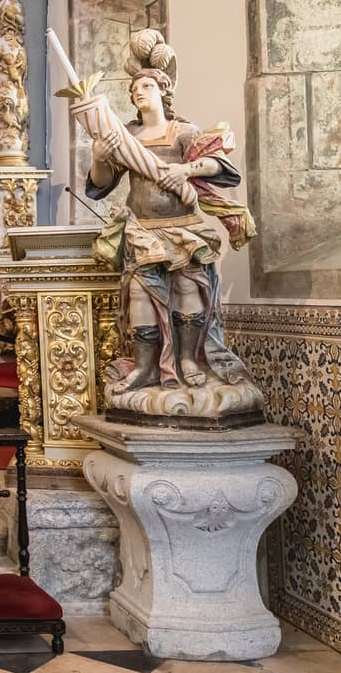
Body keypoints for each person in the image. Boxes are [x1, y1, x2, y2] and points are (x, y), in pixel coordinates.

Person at [85, 32, 255, 399]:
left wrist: (186, 170)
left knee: (187, 289)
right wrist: (100, 157)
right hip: (143, 231)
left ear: (163, 90)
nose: (138, 93)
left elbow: (217, 164)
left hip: (182, 229)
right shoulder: (126, 135)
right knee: (140, 297)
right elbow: (102, 182)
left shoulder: (183, 131)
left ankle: (189, 360)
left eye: (145, 86)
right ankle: (146, 367)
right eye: (134, 90)